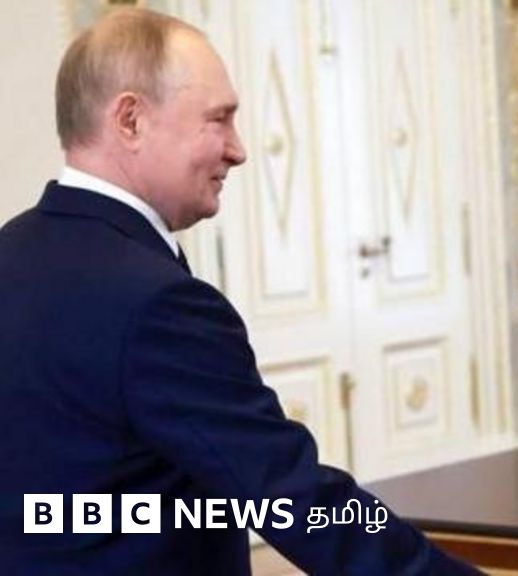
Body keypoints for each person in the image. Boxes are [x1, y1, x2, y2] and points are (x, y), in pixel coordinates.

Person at [0, 8, 480, 575]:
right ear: (130, 120)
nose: (239, 149)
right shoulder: (157, 303)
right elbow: (294, 498)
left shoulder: (11, 253)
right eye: (219, 119)